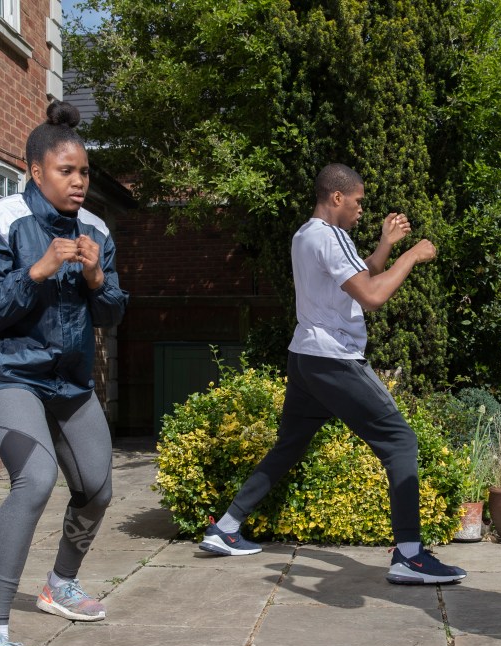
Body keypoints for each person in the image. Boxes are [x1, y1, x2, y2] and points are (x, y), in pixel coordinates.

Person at [200, 163, 466, 585]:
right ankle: (410, 556)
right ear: (337, 197)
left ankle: (227, 527)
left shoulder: (305, 235)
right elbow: (373, 295)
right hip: (334, 359)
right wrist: (413, 255)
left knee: (290, 445)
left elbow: (359, 276)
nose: (361, 209)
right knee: (400, 440)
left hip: (305, 357)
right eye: (358, 201)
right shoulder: (332, 236)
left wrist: (386, 245)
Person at [0, 101, 128, 646]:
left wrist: (97, 282)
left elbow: (113, 313)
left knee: (99, 487)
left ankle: (59, 583)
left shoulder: (97, 231)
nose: (78, 181)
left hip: (69, 382)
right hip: (5, 373)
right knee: (34, 480)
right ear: (34, 170)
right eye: (66, 171)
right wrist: (35, 271)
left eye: (84, 172)